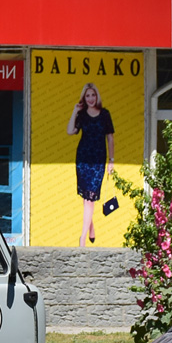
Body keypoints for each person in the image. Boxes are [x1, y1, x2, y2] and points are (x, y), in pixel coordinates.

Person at [66, 83, 115, 247]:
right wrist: (75, 110)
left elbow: (110, 138)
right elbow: (70, 131)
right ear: (84, 98)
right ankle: (90, 228)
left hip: (98, 160)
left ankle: (82, 238)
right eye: (87, 96)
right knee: (87, 198)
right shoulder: (82, 115)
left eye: (93, 95)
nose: (91, 98)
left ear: (97, 96)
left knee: (90, 198)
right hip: (83, 158)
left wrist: (111, 161)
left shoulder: (105, 114)